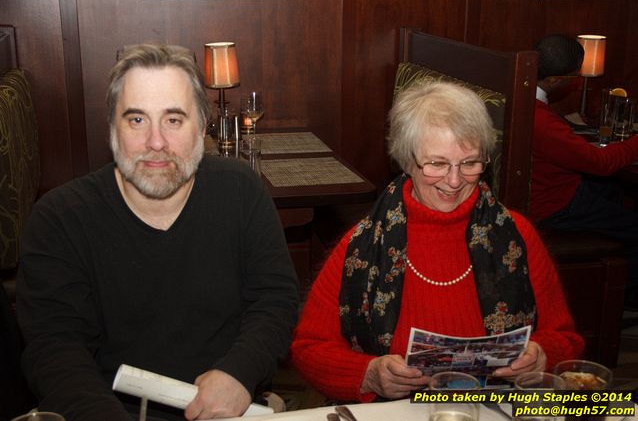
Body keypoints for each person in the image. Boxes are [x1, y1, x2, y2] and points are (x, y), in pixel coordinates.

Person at [16, 43, 299, 421]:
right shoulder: (59, 220)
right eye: (136, 120)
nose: (155, 142)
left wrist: (239, 373)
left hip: (229, 410)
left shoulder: (241, 192)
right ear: (111, 129)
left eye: (173, 119)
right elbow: (55, 351)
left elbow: (275, 301)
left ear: (201, 127)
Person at [290, 81, 583, 402]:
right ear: (406, 161)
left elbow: (565, 337)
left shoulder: (517, 236)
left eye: (470, 163)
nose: (454, 180)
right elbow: (309, 348)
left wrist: (541, 356)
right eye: (437, 163)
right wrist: (367, 374)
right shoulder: (362, 245)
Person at [530, 34, 638, 308]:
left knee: (612, 191)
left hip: (544, 190)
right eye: (574, 76)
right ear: (555, 80)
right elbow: (600, 164)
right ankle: (620, 299)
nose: (576, 80)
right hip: (555, 205)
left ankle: (605, 269)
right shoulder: (541, 120)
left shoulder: (519, 96)